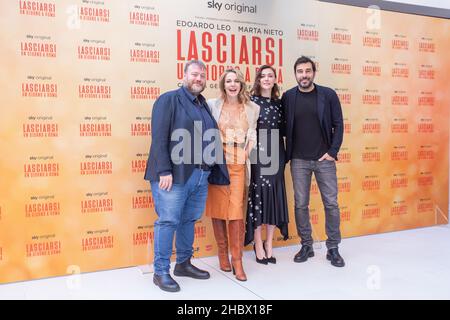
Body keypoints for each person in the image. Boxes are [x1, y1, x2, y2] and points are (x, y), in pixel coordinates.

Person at [144, 60, 230, 292]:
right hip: (173, 175)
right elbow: (159, 136)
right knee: (168, 220)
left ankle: (183, 263)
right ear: (184, 75)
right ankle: (160, 272)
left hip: (200, 175)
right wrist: (163, 170)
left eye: (202, 75)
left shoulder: (203, 105)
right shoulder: (168, 100)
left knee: (188, 220)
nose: (198, 78)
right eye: (194, 74)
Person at [282, 56, 345, 267]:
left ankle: (333, 248)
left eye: (307, 71)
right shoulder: (288, 97)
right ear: (295, 74)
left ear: (313, 72)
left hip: (324, 159)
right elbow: (281, 127)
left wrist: (332, 152)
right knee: (301, 205)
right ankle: (306, 245)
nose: (304, 75)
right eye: (300, 71)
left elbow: (339, 124)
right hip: (298, 160)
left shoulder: (327, 94)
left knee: (331, 204)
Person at [204, 69, 259, 281]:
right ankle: (221, 252)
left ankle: (237, 260)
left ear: (242, 84)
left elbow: (252, 132)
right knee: (218, 208)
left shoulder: (253, 108)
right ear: (223, 84)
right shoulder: (212, 105)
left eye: (236, 81)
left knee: (235, 211)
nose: (233, 84)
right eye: (229, 81)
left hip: (238, 161)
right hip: (218, 160)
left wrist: (247, 151)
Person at [245, 65, 289, 265]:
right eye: (263, 76)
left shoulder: (280, 104)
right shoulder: (251, 101)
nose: (267, 79)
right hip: (257, 151)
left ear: (275, 79)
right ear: (258, 79)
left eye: (270, 76)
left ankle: (269, 243)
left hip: (276, 151)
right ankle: (257, 243)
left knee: (273, 195)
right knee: (257, 195)